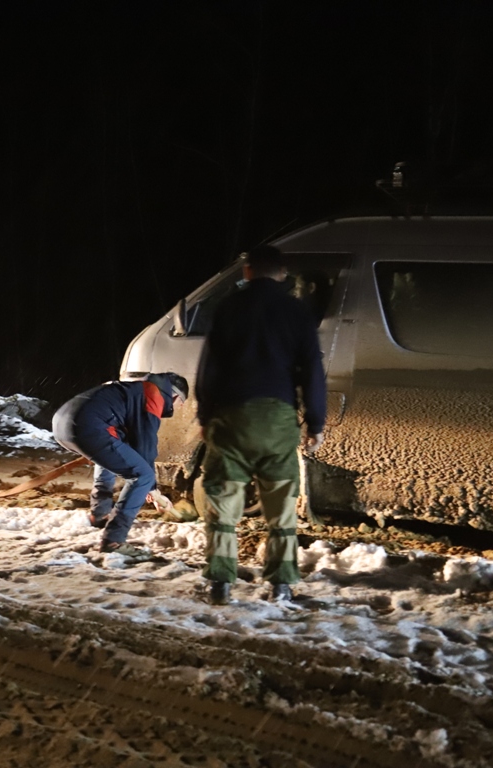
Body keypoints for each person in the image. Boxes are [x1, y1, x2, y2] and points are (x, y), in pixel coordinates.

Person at [194, 244, 326, 606]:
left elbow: (209, 367)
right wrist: (315, 421)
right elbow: (312, 370)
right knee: (281, 505)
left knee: (223, 502)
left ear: (247, 272)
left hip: (231, 416)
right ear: (282, 275)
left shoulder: (227, 307)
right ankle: (281, 582)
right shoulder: (297, 312)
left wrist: (205, 416)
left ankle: (220, 581)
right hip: (277, 418)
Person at [52, 373, 189, 557]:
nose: (179, 409)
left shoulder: (135, 389)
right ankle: (114, 540)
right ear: (174, 396)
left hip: (62, 425)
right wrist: (153, 489)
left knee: (114, 452)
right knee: (142, 475)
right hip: (88, 426)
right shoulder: (154, 395)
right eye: (181, 403)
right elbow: (146, 445)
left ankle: (99, 514)